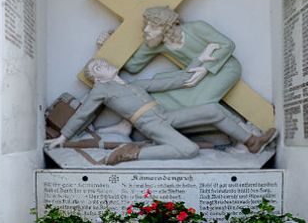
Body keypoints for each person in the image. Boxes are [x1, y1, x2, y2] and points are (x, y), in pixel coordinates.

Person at [45, 58, 277, 166]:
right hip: (149, 124)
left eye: (103, 62)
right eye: (97, 67)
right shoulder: (101, 91)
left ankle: (252, 141)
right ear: (96, 77)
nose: (103, 64)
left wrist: (199, 66)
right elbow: (83, 114)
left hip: (164, 115)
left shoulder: (133, 85)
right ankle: (129, 154)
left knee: (213, 110)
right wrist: (64, 137)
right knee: (189, 150)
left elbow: (166, 83)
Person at [124, 6, 242, 111]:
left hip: (225, 68)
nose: (146, 29)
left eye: (153, 26)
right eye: (146, 25)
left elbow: (227, 44)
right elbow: (133, 66)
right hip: (194, 75)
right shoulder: (159, 43)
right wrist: (109, 43)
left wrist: (205, 68)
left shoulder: (196, 27)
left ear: (167, 27)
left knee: (200, 105)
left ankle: (242, 128)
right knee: (163, 93)